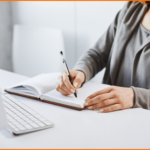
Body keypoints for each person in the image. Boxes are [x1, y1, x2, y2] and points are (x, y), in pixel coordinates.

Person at [56, 1, 150, 113]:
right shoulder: (131, 8)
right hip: (106, 116)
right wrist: (81, 72)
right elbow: (97, 54)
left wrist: (135, 97)